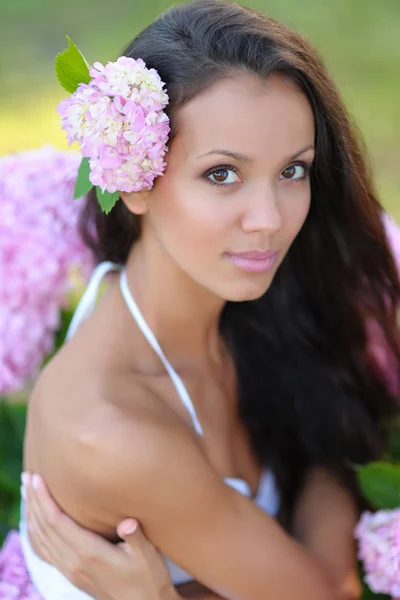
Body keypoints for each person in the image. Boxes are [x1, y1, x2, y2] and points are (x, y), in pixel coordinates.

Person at [1, 0, 400, 598]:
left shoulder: (237, 307)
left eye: (293, 170)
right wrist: (336, 442)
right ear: (132, 178)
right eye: (222, 174)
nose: (269, 220)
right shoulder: (111, 432)